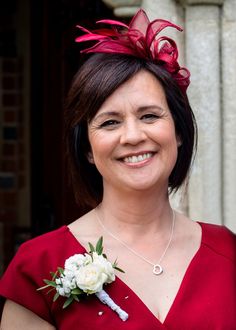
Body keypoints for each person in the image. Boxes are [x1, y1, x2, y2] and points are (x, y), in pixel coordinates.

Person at [0, 9, 235, 330]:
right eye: (110, 122)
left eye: (150, 116)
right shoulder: (38, 267)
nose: (134, 136)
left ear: (178, 132)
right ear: (87, 149)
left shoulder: (227, 253)